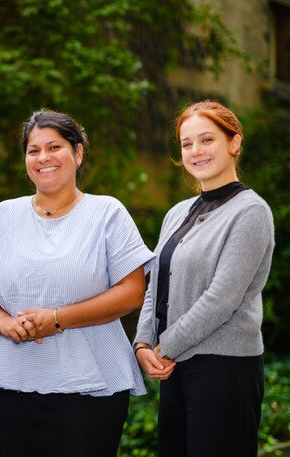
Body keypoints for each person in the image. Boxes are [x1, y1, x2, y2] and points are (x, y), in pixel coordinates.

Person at [0, 109, 154, 457]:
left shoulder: (107, 213)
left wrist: (57, 320)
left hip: (91, 386)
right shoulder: (2, 217)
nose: (43, 158)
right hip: (15, 381)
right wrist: (2, 322)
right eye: (33, 150)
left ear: (78, 152)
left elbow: (132, 291)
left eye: (54, 147)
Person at [134, 100, 275, 457]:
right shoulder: (177, 212)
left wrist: (164, 348)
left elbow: (222, 299)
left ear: (234, 142)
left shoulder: (251, 212)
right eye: (186, 144)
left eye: (207, 139)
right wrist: (142, 344)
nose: (195, 151)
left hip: (225, 369)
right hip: (176, 367)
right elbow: (155, 283)